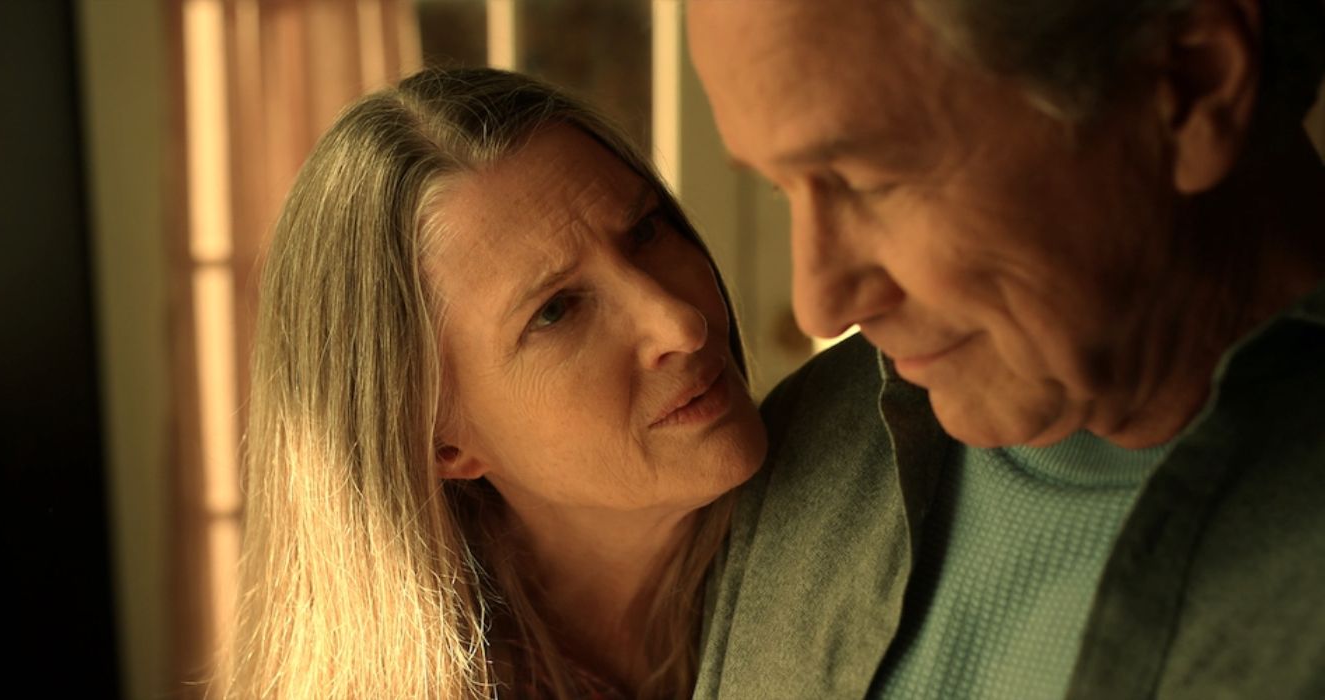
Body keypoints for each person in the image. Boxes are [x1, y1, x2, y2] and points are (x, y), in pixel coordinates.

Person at [686, 0, 1324, 697]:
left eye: (871, 181)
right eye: (782, 191)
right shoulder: (808, 443)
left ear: (1189, 82)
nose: (820, 302)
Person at [226, 67, 766, 699]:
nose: (680, 322)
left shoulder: (864, 491)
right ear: (440, 441)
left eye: (645, 232)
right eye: (556, 310)